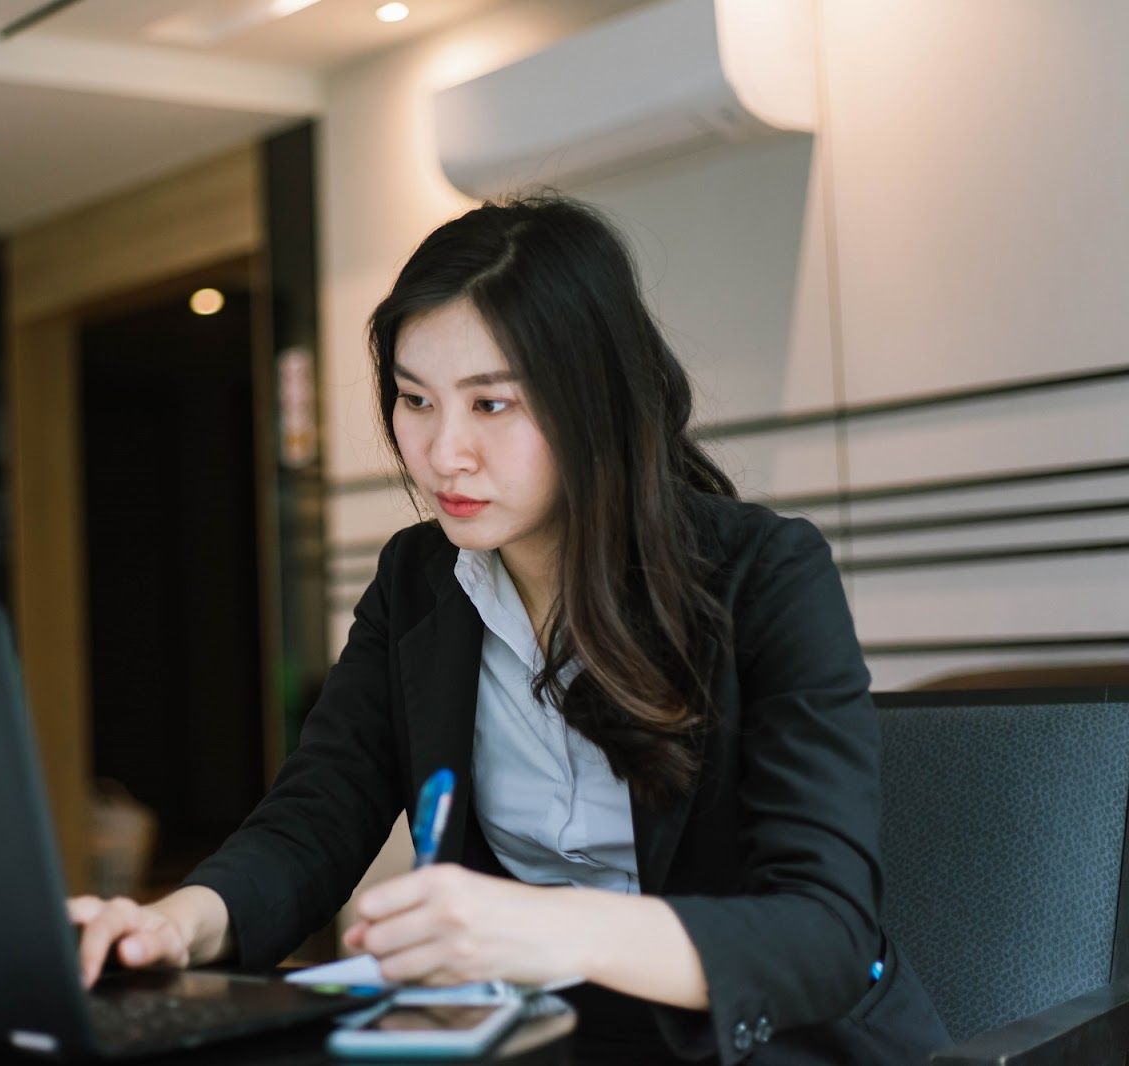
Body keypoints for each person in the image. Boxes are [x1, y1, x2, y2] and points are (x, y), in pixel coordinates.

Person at [65, 195, 950, 1063]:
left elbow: (823, 931)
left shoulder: (764, 576)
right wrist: (175, 925)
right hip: (539, 1041)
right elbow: (314, 821)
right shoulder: (419, 582)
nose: (444, 452)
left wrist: (547, 927)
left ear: (594, 402)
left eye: (492, 405)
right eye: (417, 400)